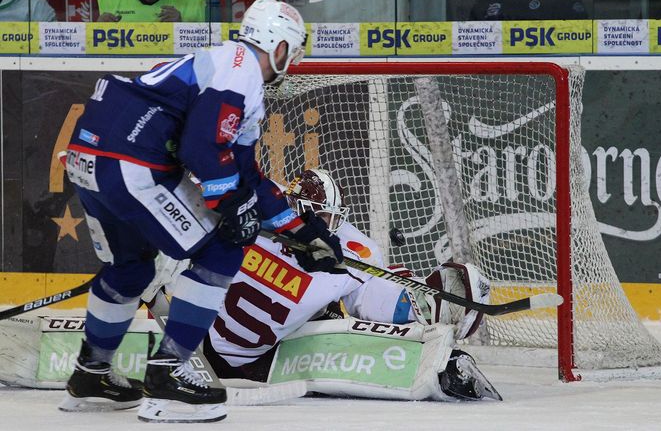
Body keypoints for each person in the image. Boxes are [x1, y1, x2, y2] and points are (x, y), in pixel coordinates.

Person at [58, 0, 342, 423]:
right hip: (132, 164)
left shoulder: (228, 66)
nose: (295, 61)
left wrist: (303, 230)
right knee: (224, 247)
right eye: (294, 50)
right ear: (279, 46)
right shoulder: (241, 69)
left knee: (131, 268)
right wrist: (231, 206)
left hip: (88, 158)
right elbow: (201, 148)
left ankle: (90, 374)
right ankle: (170, 372)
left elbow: (246, 174)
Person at [147, 169, 500, 401]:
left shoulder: (261, 219)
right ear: (301, 210)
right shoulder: (348, 249)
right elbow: (377, 302)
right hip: (260, 359)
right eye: (322, 216)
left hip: (214, 345)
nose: (329, 225)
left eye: (333, 217)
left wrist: (427, 302)